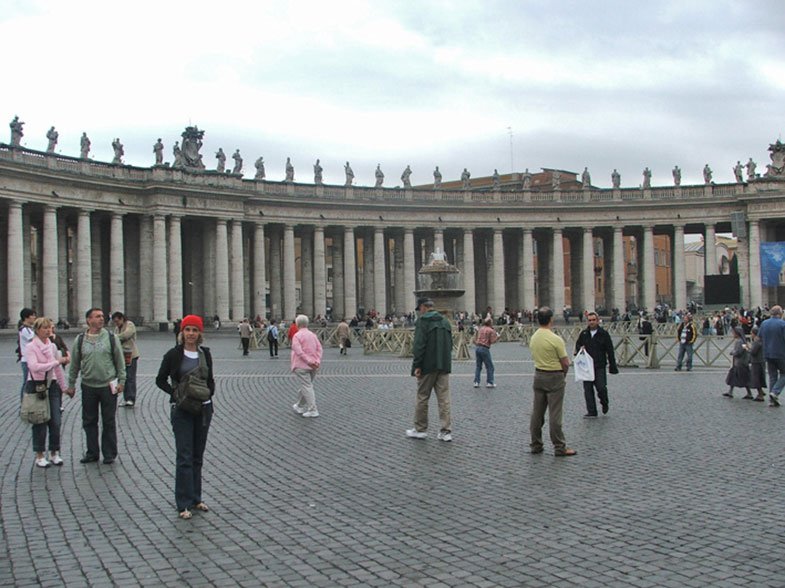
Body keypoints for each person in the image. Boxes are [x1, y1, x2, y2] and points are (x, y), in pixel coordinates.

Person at [155, 315, 215, 520]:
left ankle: (196, 498)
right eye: (187, 330)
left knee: (197, 455)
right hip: (182, 411)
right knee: (185, 456)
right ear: (182, 333)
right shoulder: (173, 354)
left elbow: (211, 380)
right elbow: (160, 380)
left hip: (203, 409)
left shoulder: (205, 354)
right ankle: (183, 503)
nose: (191, 334)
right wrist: (176, 394)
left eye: (194, 330)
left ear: (200, 334)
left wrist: (207, 395)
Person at [67, 308, 126, 464]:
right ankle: (92, 452)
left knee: (108, 421)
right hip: (88, 385)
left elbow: (120, 361)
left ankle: (109, 454)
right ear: (88, 320)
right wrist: (71, 384)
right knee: (89, 421)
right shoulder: (80, 340)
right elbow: (74, 364)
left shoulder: (112, 338)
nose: (101, 319)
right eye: (97, 316)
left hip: (108, 384)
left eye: (102, 316)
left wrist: (122, 381)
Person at [530, 306, 576, 456]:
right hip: (554, 376)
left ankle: (536, 444)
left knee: (537, 414)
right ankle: (559, 447)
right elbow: (565, 362)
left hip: (538, 375)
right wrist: (563, 375)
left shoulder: (534, 337)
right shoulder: (555, 339)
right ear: (551, 319)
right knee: (555, 415)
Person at [406, 298, 453, 441]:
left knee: (422, 396)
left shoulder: (423, 321)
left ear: (422, 307)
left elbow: (419, 346)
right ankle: (446, 431)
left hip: (427, 365)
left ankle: (420, 429)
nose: (419, 312)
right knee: (444, 399)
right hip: (443, 365)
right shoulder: (445, 321)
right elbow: (450, 344)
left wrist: (417, 366)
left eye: (419, 309)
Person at [26, 317, 70, 468]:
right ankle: (39, 455)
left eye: (50, 327)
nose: (48, 330)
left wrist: (65, 388)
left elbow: (58, 370)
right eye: (45, 328)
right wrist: (55, 362)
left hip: (52, 386)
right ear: (37, 330)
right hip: (37, 386)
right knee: (40, 421)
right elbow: (34, 366)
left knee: (56, 422)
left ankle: (54, 452)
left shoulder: (51, 346)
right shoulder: (31, 347)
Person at [575, 311, 618, 417]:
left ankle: (604, 402)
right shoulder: (584, 334)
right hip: (587, 367)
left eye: (594, 320)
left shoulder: (604, 334)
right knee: (588, 390)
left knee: (601, 387)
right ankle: (592, 411)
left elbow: (610, 350)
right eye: (590, 320)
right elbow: (578, 345)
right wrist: (579, 349)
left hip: (599, 365)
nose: (592, 322)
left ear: (597, 321)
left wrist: (612, 366)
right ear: (587, 322)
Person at [290, 315, 323, 418]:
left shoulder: (297, 336)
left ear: (297, 324)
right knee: (306, 386)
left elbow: (298, 351)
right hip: (314, 365)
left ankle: (313, 410)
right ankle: (299, 405)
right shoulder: (313, 335)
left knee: (307, 386)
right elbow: (319, 349)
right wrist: (317, 361)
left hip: (302, 366)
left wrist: (309, 361)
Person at [758, 305, 785, 407]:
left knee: (772, 376)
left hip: (768, 353)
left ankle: (772, 400)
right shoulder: (782, 324)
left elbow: (759, 337)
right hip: (781, 353)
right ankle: (775, 392)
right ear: (780, 313)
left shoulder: (764, 323)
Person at [112, 311, 139, 407]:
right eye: (115, 322)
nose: (116, 323)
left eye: (117, 321)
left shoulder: (130, 325)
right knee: (123, 377)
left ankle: (131, 398)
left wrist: (114, 338)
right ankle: (126, 398)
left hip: (131, 355)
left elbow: (126, 335)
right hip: (121, 356)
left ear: (122, 319)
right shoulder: (116, 328)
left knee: (130, 377)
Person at [723, 327, 752, 399]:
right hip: (739, 362)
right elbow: (746, 350)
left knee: (743, 378)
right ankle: (730, 391)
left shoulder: (739, 342)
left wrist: (732, 352)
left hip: (740, 363)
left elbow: (739, 352)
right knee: (734, 377)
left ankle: (749, 393)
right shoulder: (743, 341)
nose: (733, 334)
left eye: (733, 333)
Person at [17, 307, 37, 399]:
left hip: (30, 359)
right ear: (26, 317)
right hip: (27, 360)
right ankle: (23, 403)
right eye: (32, 315)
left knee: (29, 382)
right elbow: (35, 340)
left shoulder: (29, 329)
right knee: (27, 382)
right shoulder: (25, 330)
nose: (34, 317)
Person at [473, 317, 499, 388]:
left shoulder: (481, 329)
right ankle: (490, 382)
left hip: (477, 347)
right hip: (484, 348)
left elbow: (476, 337)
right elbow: (492, 341)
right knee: (490, 366)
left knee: (478, 366)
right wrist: (498, 337)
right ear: (490, 323)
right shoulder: (491, 330)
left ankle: (476, 382)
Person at [749, 326, 767, 401]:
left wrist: (748, 348)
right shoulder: (762, 340)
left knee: (756, 378)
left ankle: (760, 395)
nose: (751, 335)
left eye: (751, 333)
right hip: (761, 360)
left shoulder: (757, 341)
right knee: (759, 377)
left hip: (757, 361)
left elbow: (753, 352)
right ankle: (761, 392)